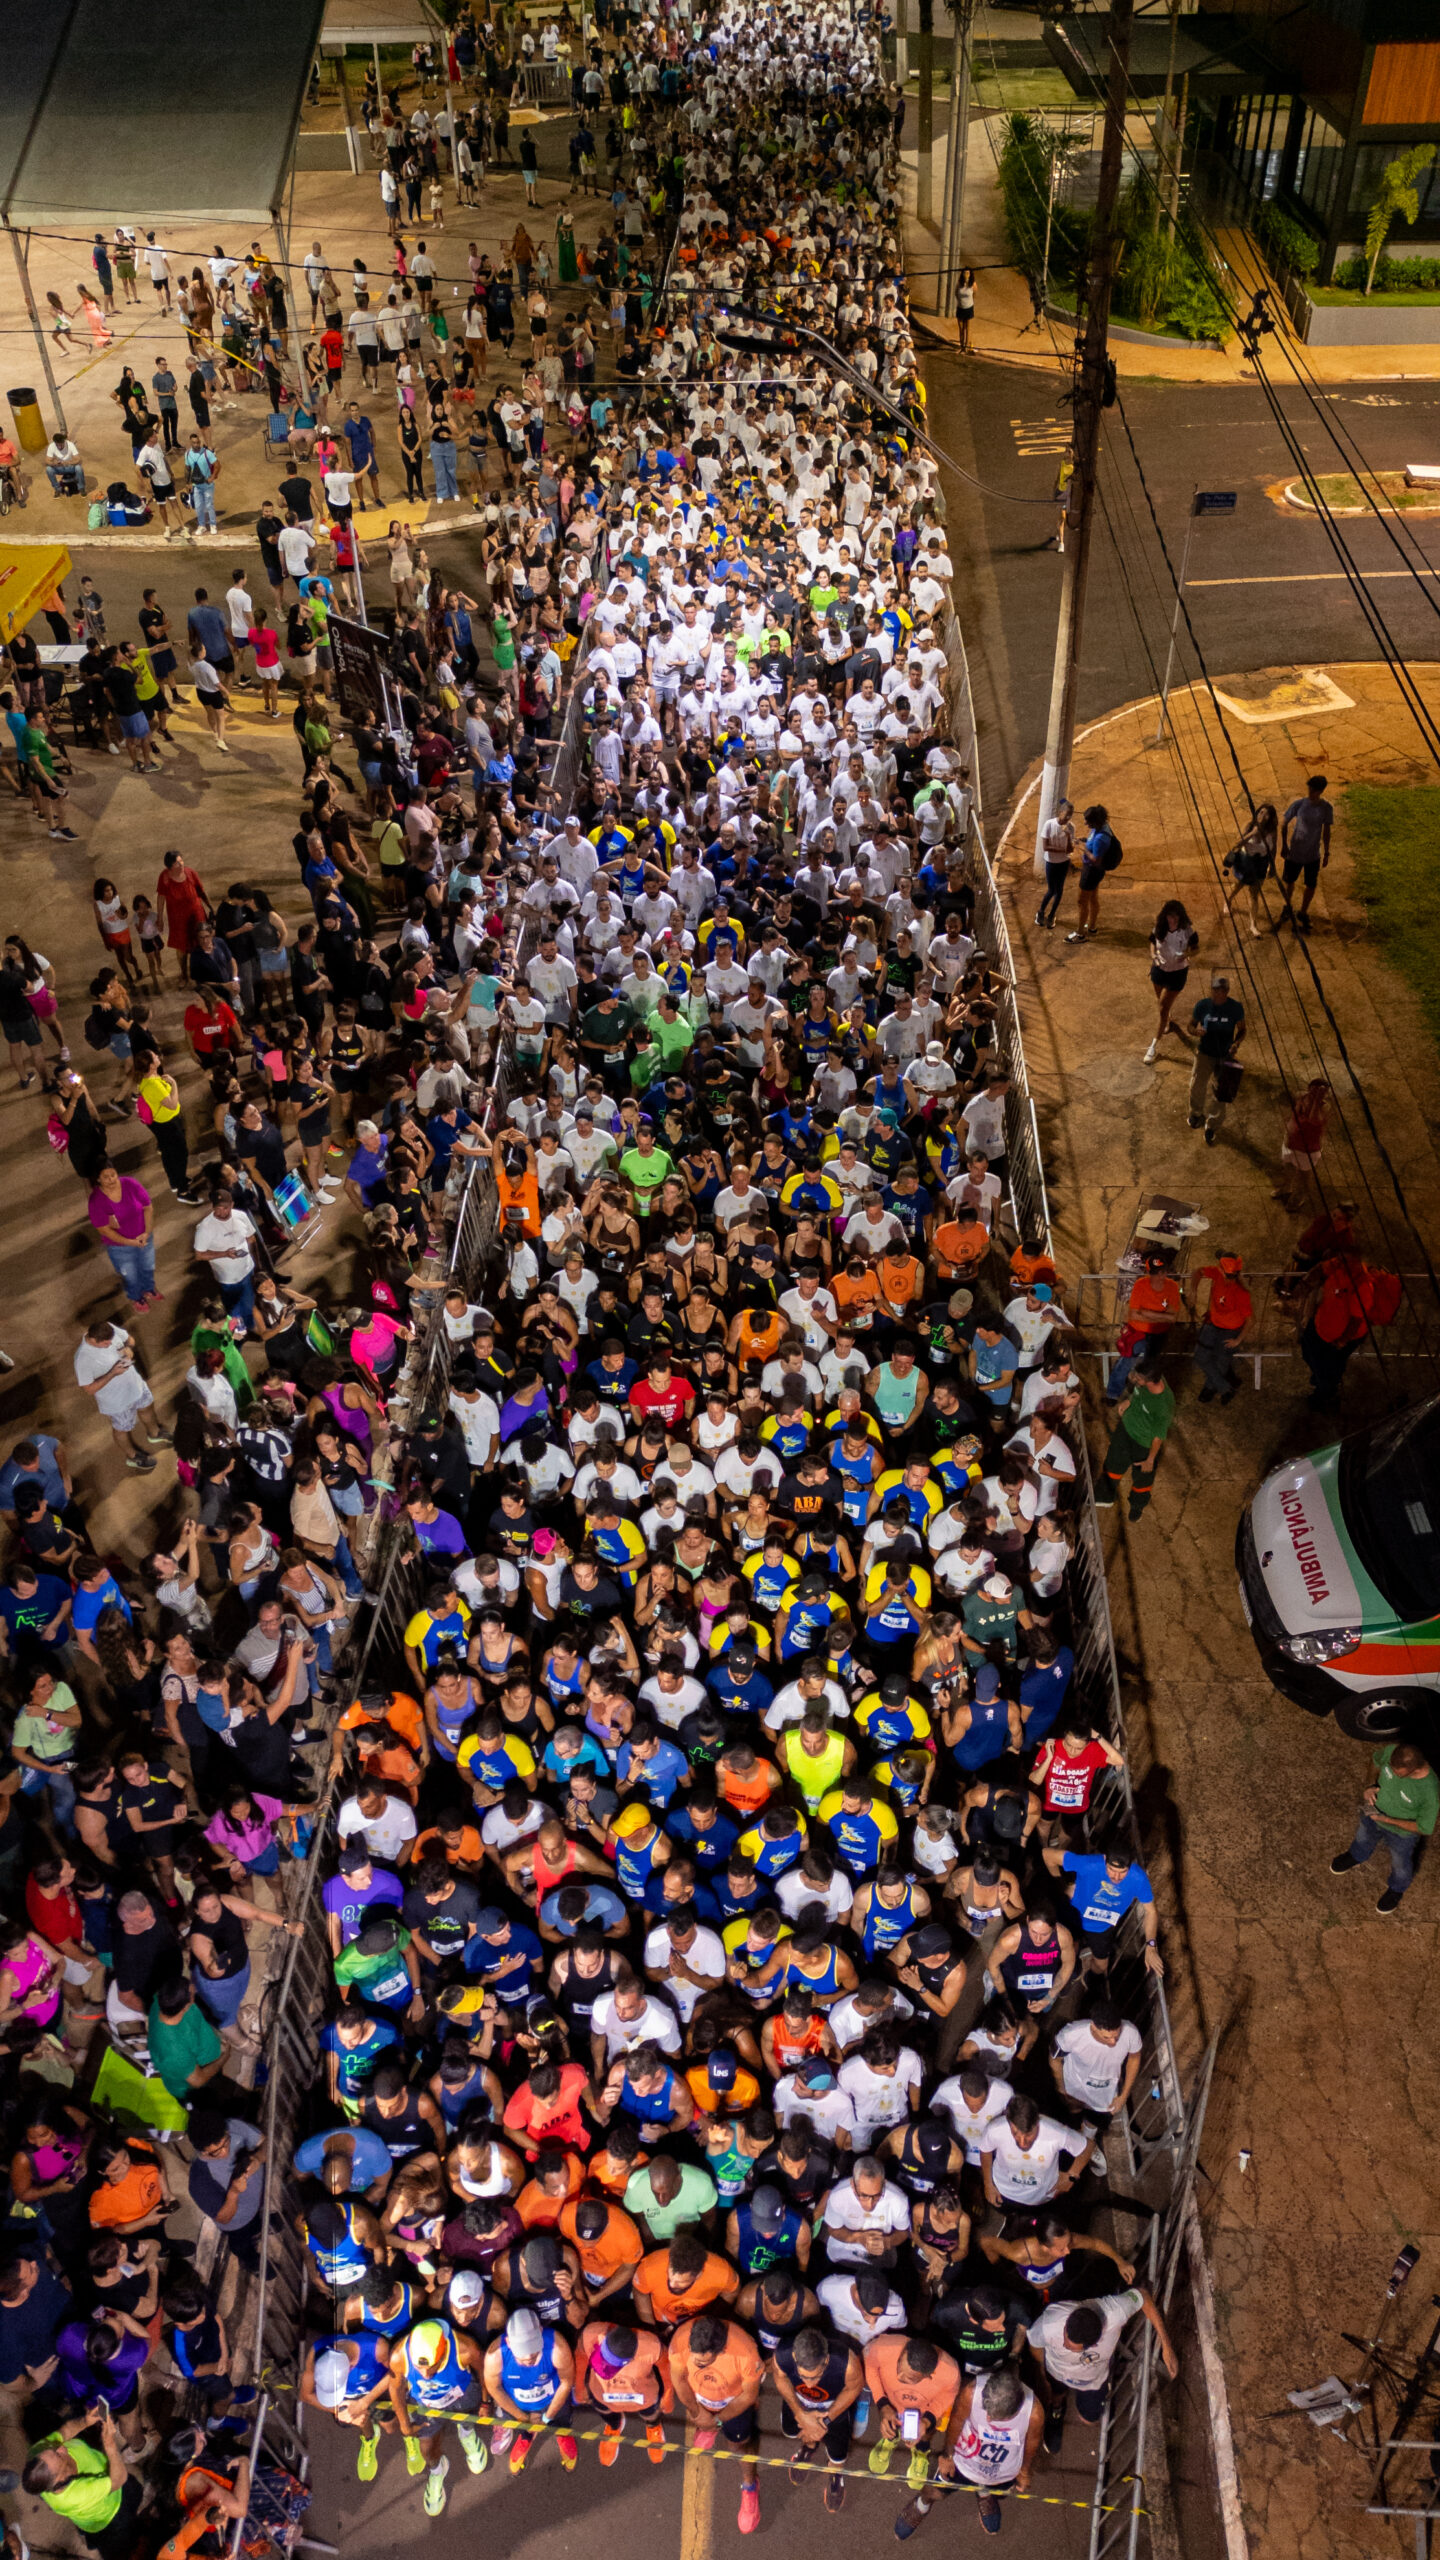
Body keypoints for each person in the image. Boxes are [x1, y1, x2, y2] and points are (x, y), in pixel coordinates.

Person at [1331, 1744, 1438, 1914]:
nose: (1393, 1775)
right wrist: (1369, 1786)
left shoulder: (1429, 1791)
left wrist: (1387, 1820)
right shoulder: (1391, 1752)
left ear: (1415, 1770)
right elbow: (1375, 1761)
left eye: (1399, 1775)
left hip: (1401, 1834)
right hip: (1372, 1815)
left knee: (1400, 1863)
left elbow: (1424, 1827)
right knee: (1362, 1837)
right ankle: (1356, 1855)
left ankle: (1397, 1889)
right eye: (1391, 1770)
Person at [1185, 973, 1245, 1148]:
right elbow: (1190, 1025)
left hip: (1225, 1055)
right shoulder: (1202, 1006)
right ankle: (1195, 1113)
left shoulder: (1235, 1008)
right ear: (1211, 990)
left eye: (1222, 990)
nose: (1219, 993)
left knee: (1221, 1092)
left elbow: (1242, 1029)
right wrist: (1195, 1032)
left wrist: (1236, 1044)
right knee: (1197, 1084)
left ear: (1227, 991)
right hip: (1205, 1053)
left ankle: (1212, 1126)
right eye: (1216, 990)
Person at [1277, 774, 1333, 933]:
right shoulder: (1299, 804)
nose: (1310, 792)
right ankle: (1287, 905)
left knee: (1311, 884)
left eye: (1313, 790)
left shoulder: (1326, 808)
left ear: (1320, 791)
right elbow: (1284, 822)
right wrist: (1284, 845)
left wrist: (1327, 852)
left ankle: (1303, 911)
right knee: (1290, 881)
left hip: (1312, 854)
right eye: (1309, 788)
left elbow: (1326, 831)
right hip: (1295, 852)